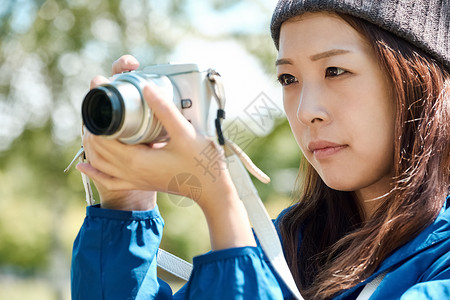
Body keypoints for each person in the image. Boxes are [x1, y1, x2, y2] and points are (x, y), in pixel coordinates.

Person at [71, 0, 450, 299]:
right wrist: (126, 206)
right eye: (289, 78)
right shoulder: (286, 245)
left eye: (335, 71)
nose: (305, 112)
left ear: (420, 80)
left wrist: (221, 204)